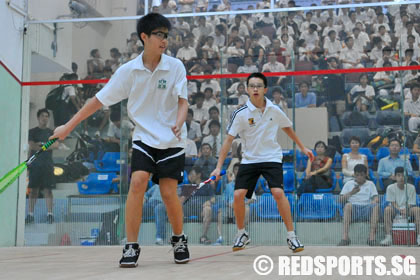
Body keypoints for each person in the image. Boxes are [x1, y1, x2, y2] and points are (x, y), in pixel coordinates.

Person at [50, 13, 190, 267]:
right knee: (137, 183)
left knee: (169, 193)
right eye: (159, 34)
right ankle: (131, 245)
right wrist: (68, 127)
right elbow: (98, 101)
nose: (164, 40)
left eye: (166, 35)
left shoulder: (175, 67)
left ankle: (179, 239)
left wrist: (179, 122)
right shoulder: (128, 71)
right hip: (144, 138)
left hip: (173, 139)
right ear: (144, 37)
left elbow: (183, 102)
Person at [210, 72, 314, 252]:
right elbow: (228, 140)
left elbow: (287, 128)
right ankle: (241, 233)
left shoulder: (275, 109)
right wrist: (218, 167)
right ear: (248, 90)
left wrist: (302, 147)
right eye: (252, 86)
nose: (255, 89)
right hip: (249, 159)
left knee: (278, 193)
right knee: (237, 195)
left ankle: (291, 236)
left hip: (271, 157)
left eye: (259, 86)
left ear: (265, 89)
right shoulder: (240, 113)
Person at [25, 109, 59, 224]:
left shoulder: (51, 132)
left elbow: (56, 145)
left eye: (47, 116)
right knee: (33, 190)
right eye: (43, 116)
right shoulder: (32, 131)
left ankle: (50, 214)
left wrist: (43, 145)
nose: (45, 118)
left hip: (47, 164)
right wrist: (43, 146)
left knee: (48, 190)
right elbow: (32, 146)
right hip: (35, 164)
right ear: (38, 117)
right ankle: (30, 214)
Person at [338, 164, 379, 246]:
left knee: (376, 206)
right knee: (347, 205)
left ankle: (371, 237)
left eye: (362, 175)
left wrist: (374, 201)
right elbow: (340, 200)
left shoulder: (370, 184)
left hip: (366, 208)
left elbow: (376, 198)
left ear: (365, 175)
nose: (359, 177)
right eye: (357, 175)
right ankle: (345, 237)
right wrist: (351, 193)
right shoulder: (348, 184)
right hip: (353, 209)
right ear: (354, 175)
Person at [380, 167, 420, 246]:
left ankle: (419, 236)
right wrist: (399, 210)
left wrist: (406, 209)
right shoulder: (390, 188)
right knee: (387, 209)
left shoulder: (411, 187)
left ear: (407, 177)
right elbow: (392, 202)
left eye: (403, 175)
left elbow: (411, 202)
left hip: (408, 209)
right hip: (395, 209)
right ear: (395, 177)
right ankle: (388, 237)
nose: (401, 178)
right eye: (399, 175)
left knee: (417, 210)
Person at [180, 166, 215, 244]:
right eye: (190, 174)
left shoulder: (206, 185)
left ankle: (203, 236)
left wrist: (208, 202)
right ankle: (179, 236)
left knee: (208, 209)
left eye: (192, 174)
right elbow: (181, 201)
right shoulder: (188, 186)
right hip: (188, 209)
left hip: (200, 210)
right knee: (179, 207)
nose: (190, 176)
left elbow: (213, 199)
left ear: (199, 175)